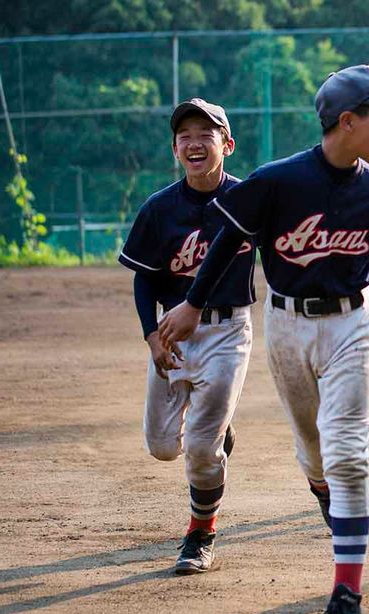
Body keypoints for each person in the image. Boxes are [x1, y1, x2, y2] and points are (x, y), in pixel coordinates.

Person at [158, 65, 369, 614]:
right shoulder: (279, 182)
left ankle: (345, 596)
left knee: (350, 455)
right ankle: (330, 497)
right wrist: (194, 304)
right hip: (287, 325)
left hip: (355, 321)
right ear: (348, 121)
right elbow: (230, 241)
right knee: (316, 452)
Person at [118, 98, 251, 575]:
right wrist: (152, 336)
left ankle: (200, 533)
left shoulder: (247, 201)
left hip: (228, 329)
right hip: (174, 335)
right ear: (175, 149)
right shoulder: (160, 208)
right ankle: (219, 430)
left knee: (199, 447)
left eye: (205, 134)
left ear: (227, 145)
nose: (195, 143)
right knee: (162, 446)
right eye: (185, 137)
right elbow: (143, 279)